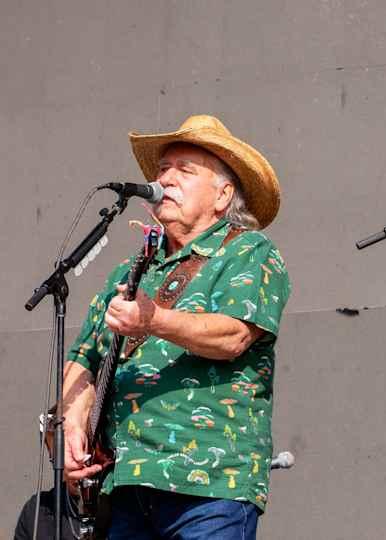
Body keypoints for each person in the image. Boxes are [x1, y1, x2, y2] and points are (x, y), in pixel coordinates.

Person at [61, 114, 290, 539]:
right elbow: (82, 360)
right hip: (125, 485)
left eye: (185, 169)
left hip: (208, 485)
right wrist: (73, 429)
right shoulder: (129, 273)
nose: (165, 178)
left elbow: (234, 336)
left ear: (223, 196)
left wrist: (154, 319)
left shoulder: (248, 252)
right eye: (162, 168)